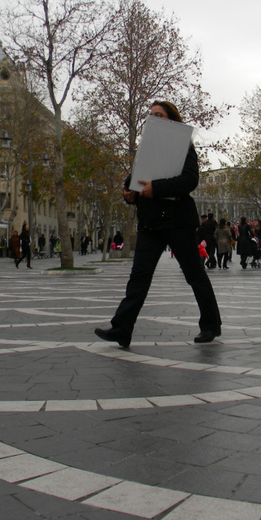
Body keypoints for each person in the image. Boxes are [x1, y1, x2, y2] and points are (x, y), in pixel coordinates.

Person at [96, 101, 222, 347]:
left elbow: (190, 179)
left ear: (171, 119)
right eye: (150, 115)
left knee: (194, 274)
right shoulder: (147, 147)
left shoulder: (183, 145)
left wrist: (157, 188)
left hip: (178, 222)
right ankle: (122, 328)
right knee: (139, 278)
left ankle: (211, 325)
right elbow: (134, 180)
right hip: (151, 223)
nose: (153, 118)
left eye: (159, 114)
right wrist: (128, 194)